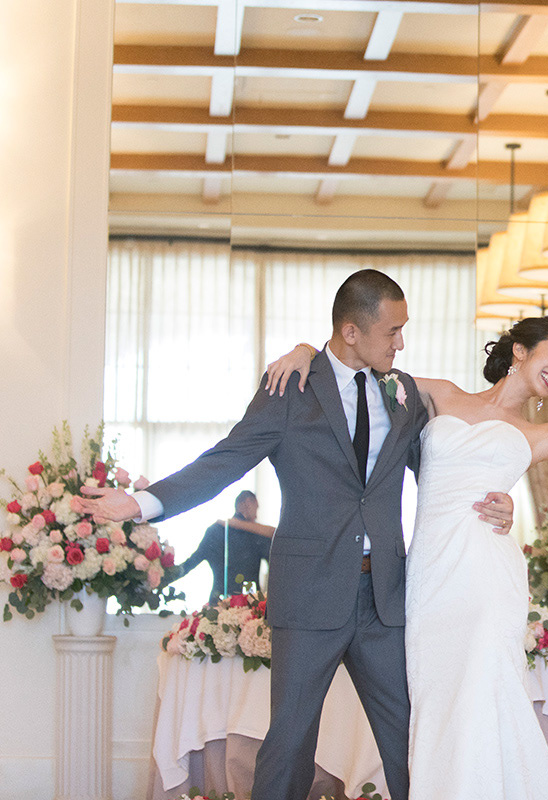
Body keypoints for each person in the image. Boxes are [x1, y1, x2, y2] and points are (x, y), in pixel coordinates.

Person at [80, 269, 515, 800]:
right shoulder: (290, 389)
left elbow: (440, 472)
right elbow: (225, 460)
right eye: (392, 331)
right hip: (309, 592)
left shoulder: (402, 392)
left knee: (412, 739)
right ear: (351, 331)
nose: (401, 343)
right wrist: (142, 503)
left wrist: (496, 500)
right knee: (289, 744)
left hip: (385, 598)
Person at [267, 315, 548, 800]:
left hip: (487, 576)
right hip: (429, 579)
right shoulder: (441, 395)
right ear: (520, 350)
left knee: (483, 691)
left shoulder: (538, 435)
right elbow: (360, 368)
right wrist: (305, 351)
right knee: (436, 699)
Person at [175, 490, 274, 604]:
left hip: (219, 601)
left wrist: (166, 575)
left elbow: (192, 562)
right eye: (256, 508)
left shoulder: (215, 531)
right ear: (247, 503)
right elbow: (275, 565)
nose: (256, 515)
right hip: (250, 603)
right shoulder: (257, 535)